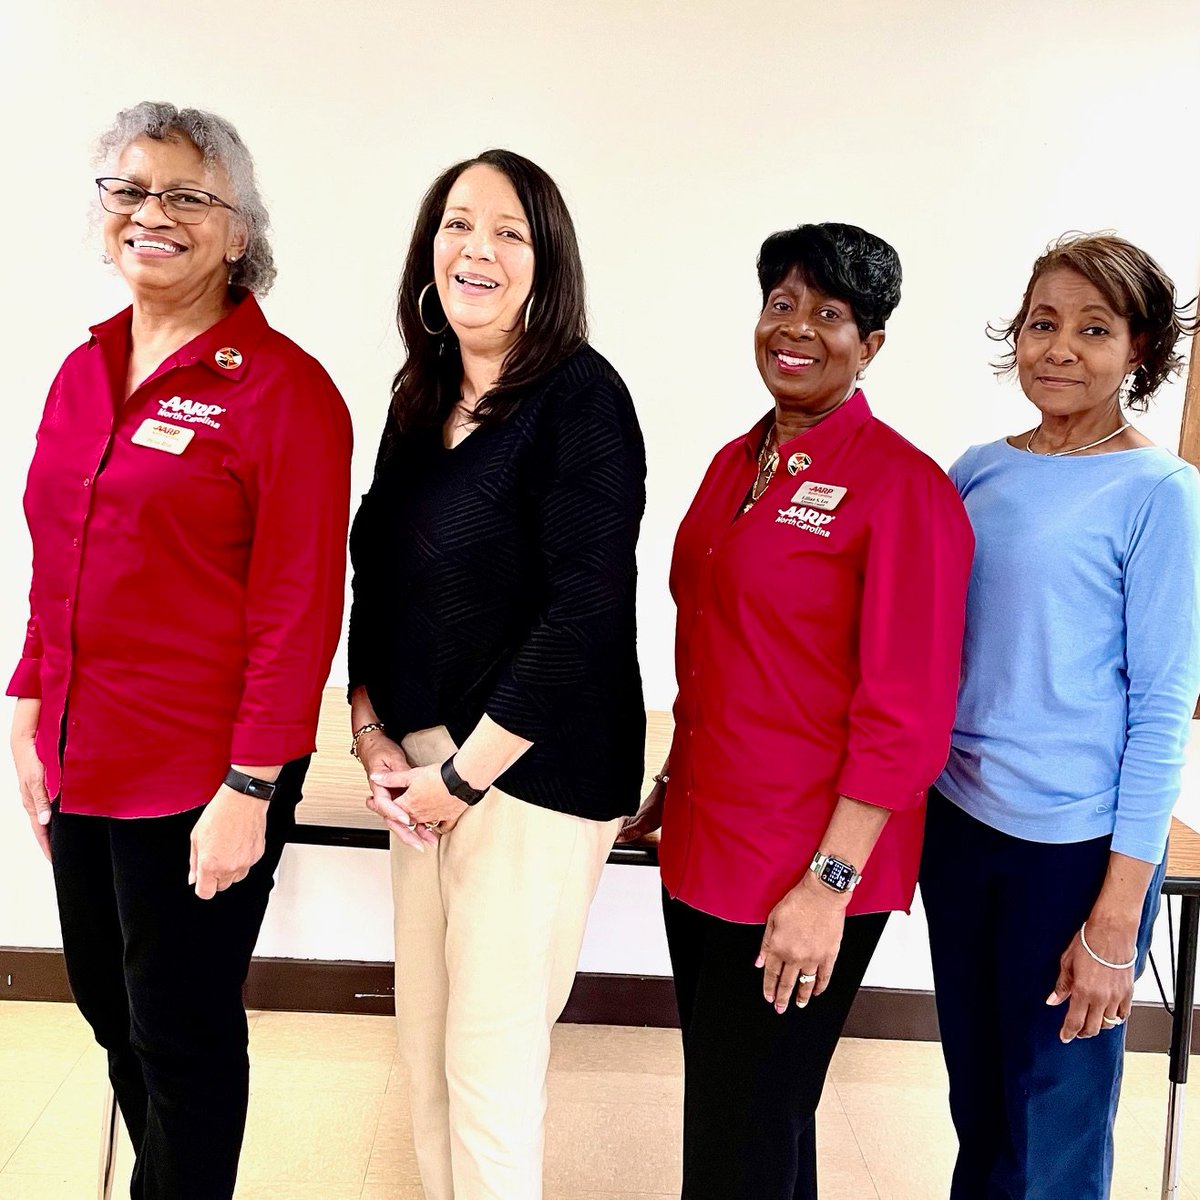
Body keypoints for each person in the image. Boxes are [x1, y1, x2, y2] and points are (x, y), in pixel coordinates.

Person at [7, 101, 352, 1200]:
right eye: (131, 191)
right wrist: (25, 701)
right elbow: (56, 549)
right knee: (110, 1007)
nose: (153, 214)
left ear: (239, 229)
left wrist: (254, 783)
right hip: (77, 751)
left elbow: (298, 606)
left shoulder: (284, 392)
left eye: (188, 196)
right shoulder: (85, 367)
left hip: (198, 773)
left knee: (181, 1032)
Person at [619, 222, 974, 1200]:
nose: (799, 329)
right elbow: (729, 653)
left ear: (873, 344)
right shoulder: (741, 461)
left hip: (808, 860)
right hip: (705, 832)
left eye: (831, 313)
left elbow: (908, 712)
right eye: (783, 303)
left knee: (753, 1117)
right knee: (742, 1113)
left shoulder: (906, 491)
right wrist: (669, 783)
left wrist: (827, 884)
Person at [346, 148, 646, 1200]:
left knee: (489, 1068)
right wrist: (372, 730)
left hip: (528, 775)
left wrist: (463, 777)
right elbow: (373, 568)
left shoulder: (581, 400)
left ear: (545, 261)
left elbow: (586, 613)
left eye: (509, 231)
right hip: (420, 767)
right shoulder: (419, 393)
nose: (477, 248)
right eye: (457, 223)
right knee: (424, 1054)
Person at [922, 232, 1200, 1199]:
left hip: (1076, 848)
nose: (1060, 349)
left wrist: (1117, 917)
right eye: (1044, 323)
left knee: (1059, 1116)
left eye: (1093, 328)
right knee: (981, 1105)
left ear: (1140, 351)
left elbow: (1164, 709)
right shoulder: (976, 471)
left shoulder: (1159, 492)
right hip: (959, 828)